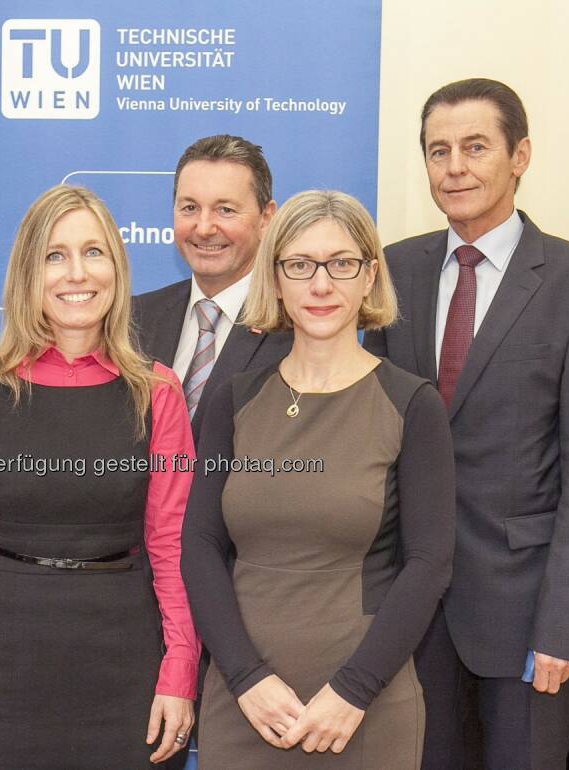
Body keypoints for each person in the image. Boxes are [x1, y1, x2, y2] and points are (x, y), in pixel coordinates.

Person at [363, 78, 569, 769]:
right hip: (411, 615)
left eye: (475, 147)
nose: (454, 167)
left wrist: (567, 628)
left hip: (526, 618)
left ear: (521, 155)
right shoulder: (394, 271)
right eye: (437, 151)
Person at [0, 184, 200, 768]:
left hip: (126, 667)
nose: (77, 273)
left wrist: (179, 672)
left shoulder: (159, 392)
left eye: (94, 252)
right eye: (55, 255)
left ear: (117, 269)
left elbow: (172, 547)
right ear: (28, 273)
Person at [182, 190, 456, 768]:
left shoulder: (412, 404)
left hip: (363, 703)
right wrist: (246, 677)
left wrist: (354, 691)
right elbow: (200, 546)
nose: (322, 284)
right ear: (276, 279)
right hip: (244, 700)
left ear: (369, 276)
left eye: (342, 264)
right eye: (300, 265)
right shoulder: (234, 400)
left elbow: (429, 562)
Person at [133, 134, 291, 438]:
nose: (204, 228)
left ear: (266, 218)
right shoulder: (133, 319)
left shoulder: (294, 327)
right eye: (190, 208)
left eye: (225, 210)